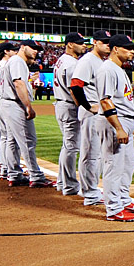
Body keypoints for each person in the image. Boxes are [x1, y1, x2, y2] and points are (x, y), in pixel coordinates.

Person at [95, 35, 134, 222]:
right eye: (127, 48)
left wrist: (130, 127)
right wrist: (119, 128)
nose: (132, 51)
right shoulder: (107, 69)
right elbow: (105, 101)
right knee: (114, 166)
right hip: (114, 122)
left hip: (124, 120)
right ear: (115, 49)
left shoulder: (118, 69)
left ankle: (123, 200)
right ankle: (114, 208)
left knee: (128, 164)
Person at [0, 40, 55, 188]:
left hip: (5, 102)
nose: (35, 51)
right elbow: (18, 83)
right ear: (22, 47)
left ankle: (14, 174)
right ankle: (36, 176)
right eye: (32, 48)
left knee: (12, 140)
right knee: (27, 140)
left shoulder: (12, 61)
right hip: (13, 103)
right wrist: (28, 106)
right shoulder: (18, 61)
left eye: (37, 49)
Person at [70, 30, 115, 208]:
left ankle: (90, 189)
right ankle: (89, 193)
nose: (108, 45)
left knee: (96, 154)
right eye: (104, 42)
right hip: (91, 114)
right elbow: (75, 86)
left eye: (109, 42)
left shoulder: (100, 61)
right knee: (91, 154)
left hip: (98, 113)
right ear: (95, 42)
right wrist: (88, 106)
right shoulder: (87, 60)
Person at [53, 33, 88, 198]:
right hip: (69, 106)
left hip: (61, 104)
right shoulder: (72, 63)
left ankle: (62, 182)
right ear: (70, 44)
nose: (84, 46)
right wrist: (82, 108)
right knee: (71, 146)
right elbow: (74, 89)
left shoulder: (62, 60)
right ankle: (69, 185)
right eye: (80, 43)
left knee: (67, 145)